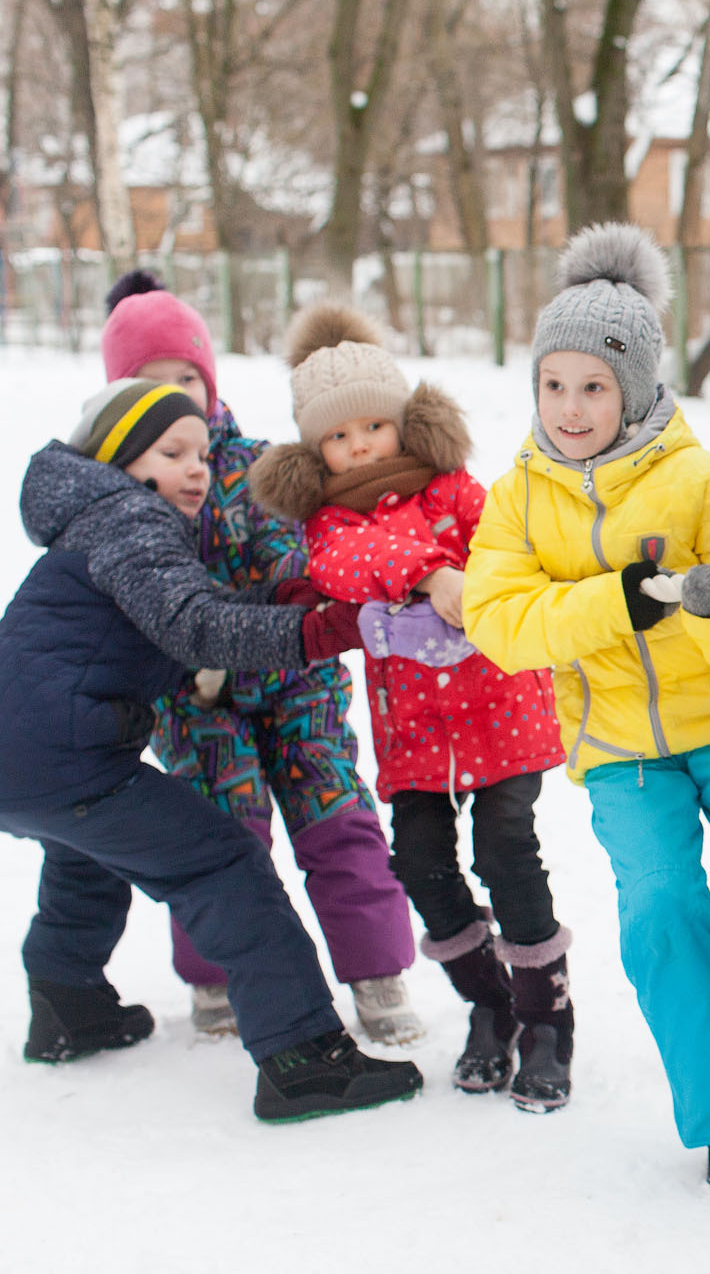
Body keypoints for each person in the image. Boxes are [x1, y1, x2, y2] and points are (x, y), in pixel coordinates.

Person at [464, 222, 710, 1200]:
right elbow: (500, 620)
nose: (570, 408)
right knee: (662, 912)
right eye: (553, 386)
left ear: (637, 386)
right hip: (619, 751)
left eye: (593, 386)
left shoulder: (696, 477)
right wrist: (622, 600)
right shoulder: (518, 495)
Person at [3, 379, 422, 1120]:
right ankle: (304, 1056)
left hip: (28, 761)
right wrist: (324, 631)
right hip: (67, 755)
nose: (197, 469)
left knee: (86, 849)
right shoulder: (132, 520)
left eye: (202, 452)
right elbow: (195, 626)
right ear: (122, 461)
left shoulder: (97, 525)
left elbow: (188, 611)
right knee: (221, 860)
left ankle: (68, 1002)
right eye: (173, 453)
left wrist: (287, 603)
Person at [248, 305, 573, 1110]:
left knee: (505, 850)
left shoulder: (456, 490)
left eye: (373, 427)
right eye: (338, 436)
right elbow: (349, 562)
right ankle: (489, 1005)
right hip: (417, 733)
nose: (359, 446)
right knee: (421, 861)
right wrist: (434, 577)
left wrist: (480, 583)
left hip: (503, 711)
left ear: (404, 424)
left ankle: (546, 1018)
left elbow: (503, 548)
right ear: (315, 451)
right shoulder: (329, 524)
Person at [94, 271, 419, 1040]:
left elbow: (294, 553)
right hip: (195, 700)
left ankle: (377, 974)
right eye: (150, 387)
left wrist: (291, 594)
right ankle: (219, 975)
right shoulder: (123, 495)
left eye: (186, 380)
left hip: (295, 678)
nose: (174, 398)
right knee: (218, 831)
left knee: (335, 814)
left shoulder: (256, 465)